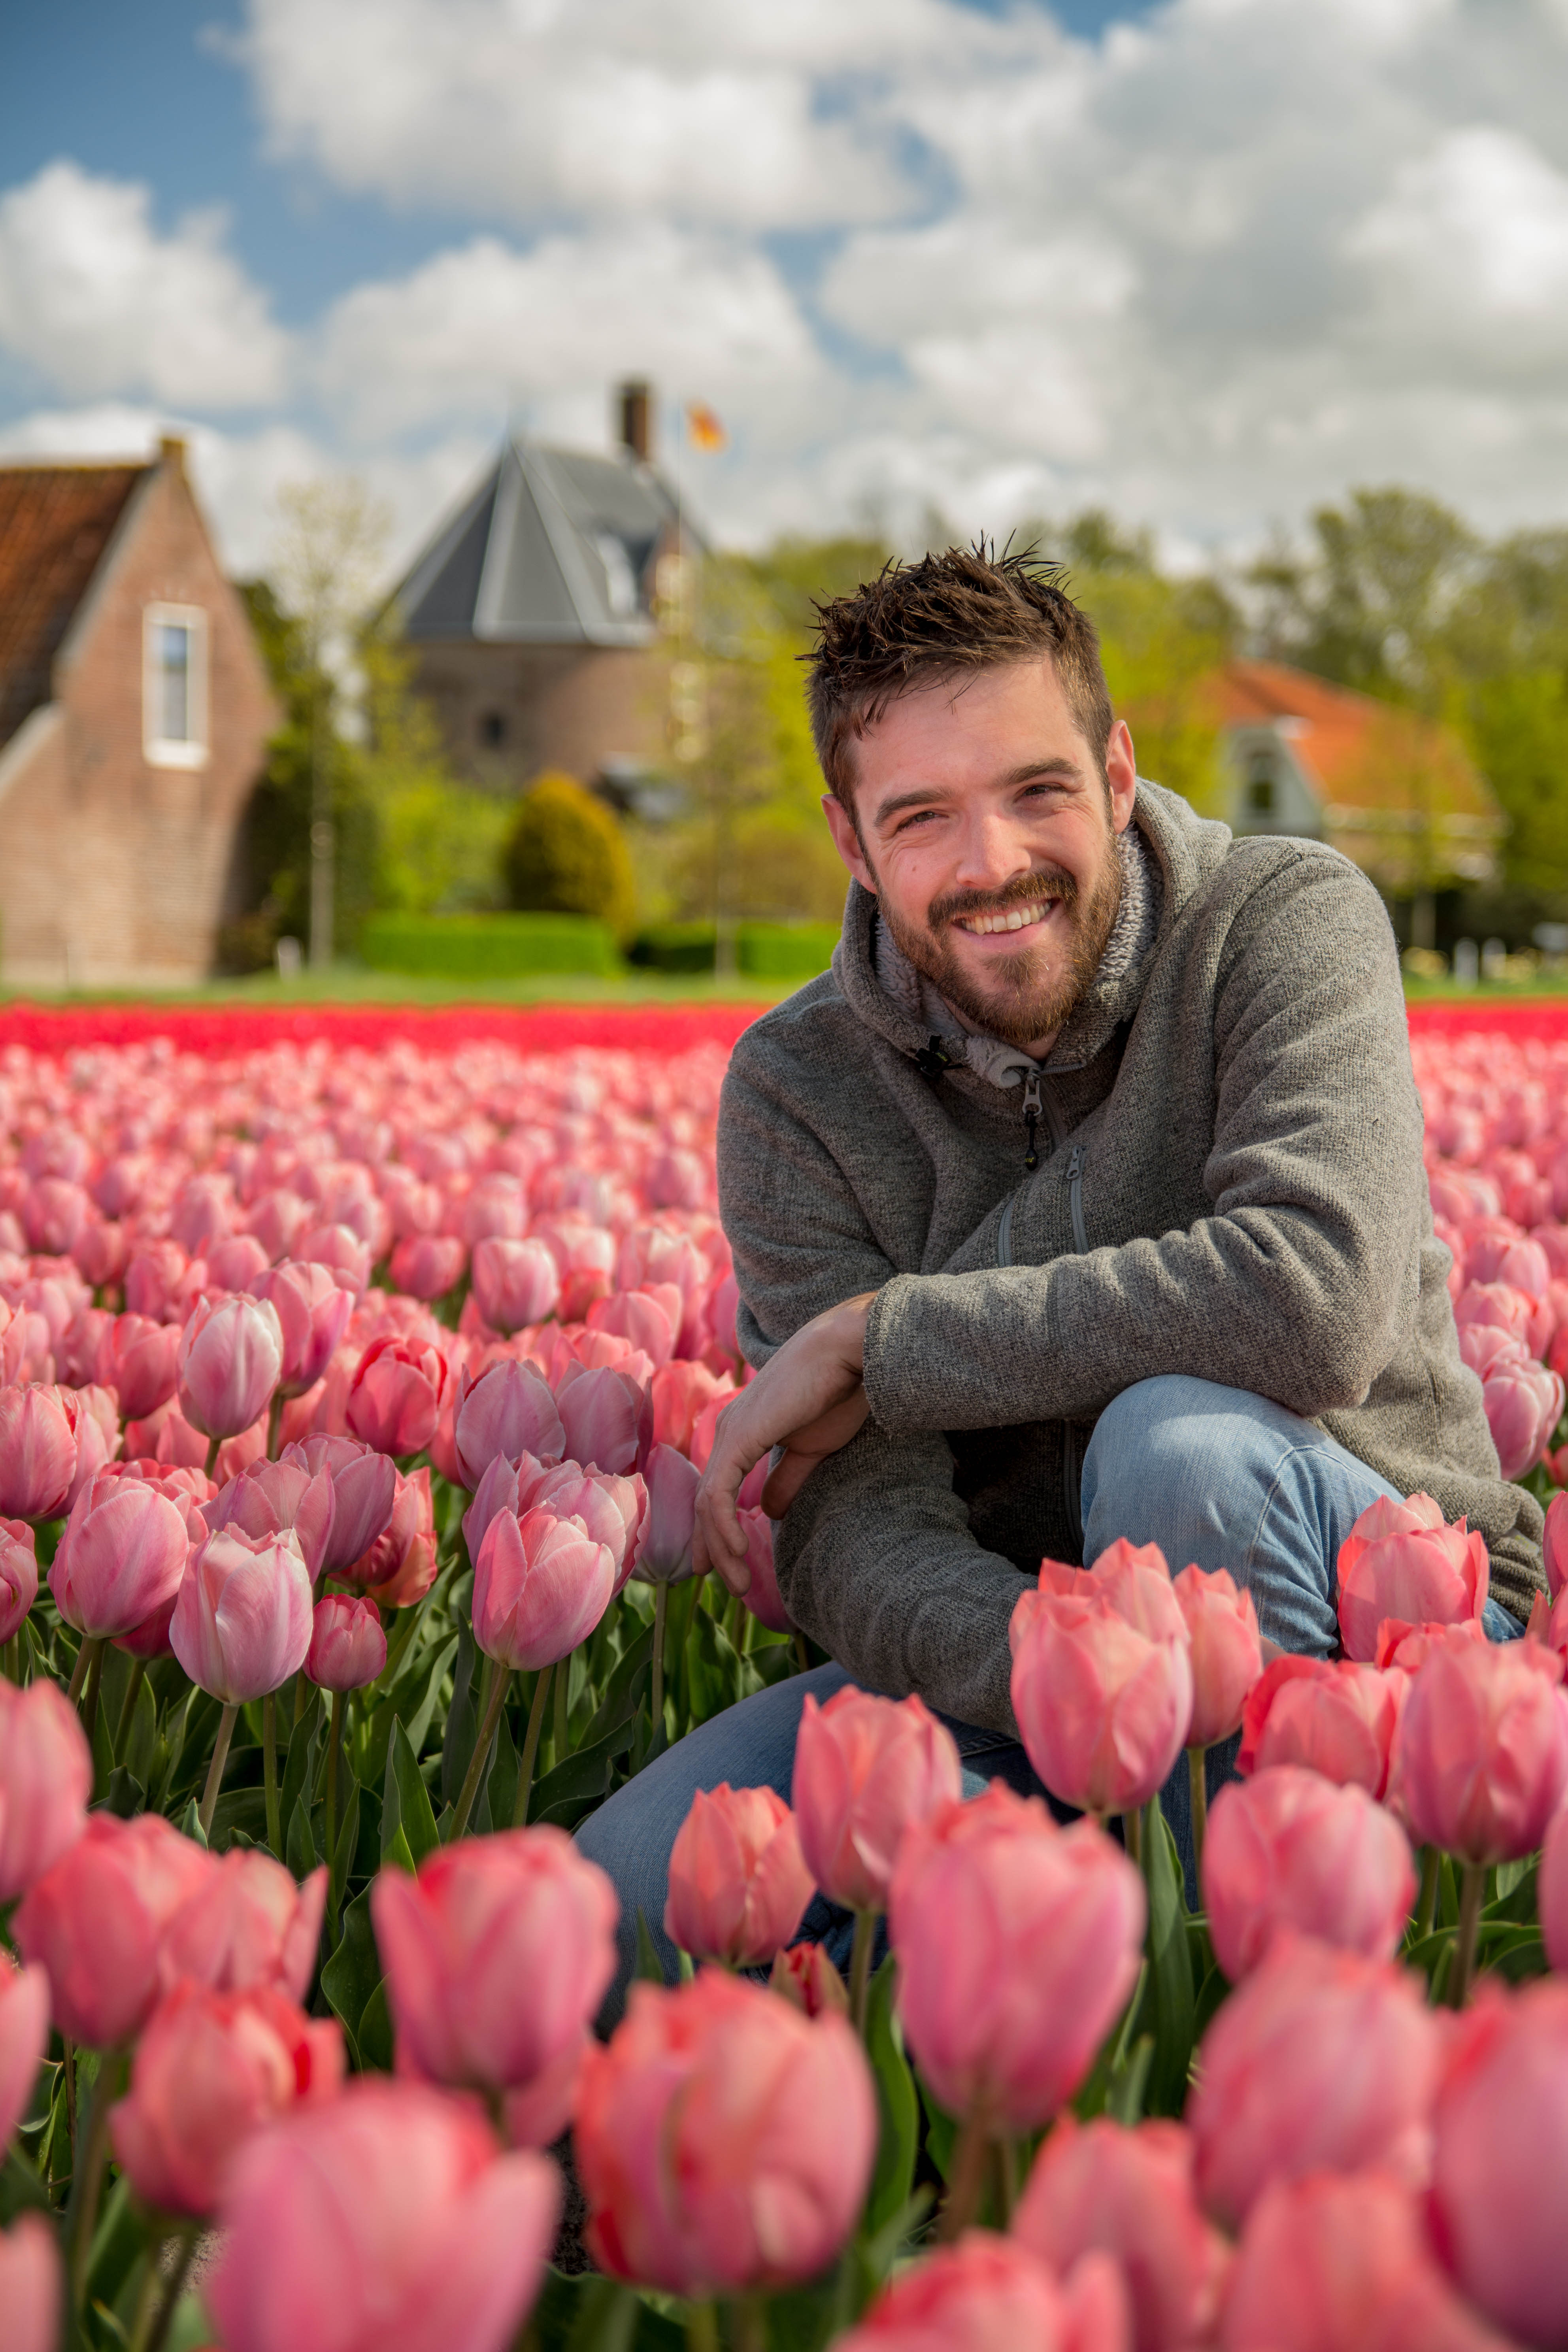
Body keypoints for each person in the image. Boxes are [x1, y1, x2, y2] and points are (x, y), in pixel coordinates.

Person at [577, 544, 1545, 1999]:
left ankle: (1261, 2024)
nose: (992, 864)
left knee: (1180, 1452)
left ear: (1117, 770)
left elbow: (1314, 1303)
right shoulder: (796, 1091)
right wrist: (1078, 1677)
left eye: (1037, 790)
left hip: (1387, 1620)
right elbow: (849, 1522)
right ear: (853, 844)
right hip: (1027, 1662)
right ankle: (1082, 1940)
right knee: (620, 1911)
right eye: (923, 818)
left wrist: (887, 1341)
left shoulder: (1281, 921)